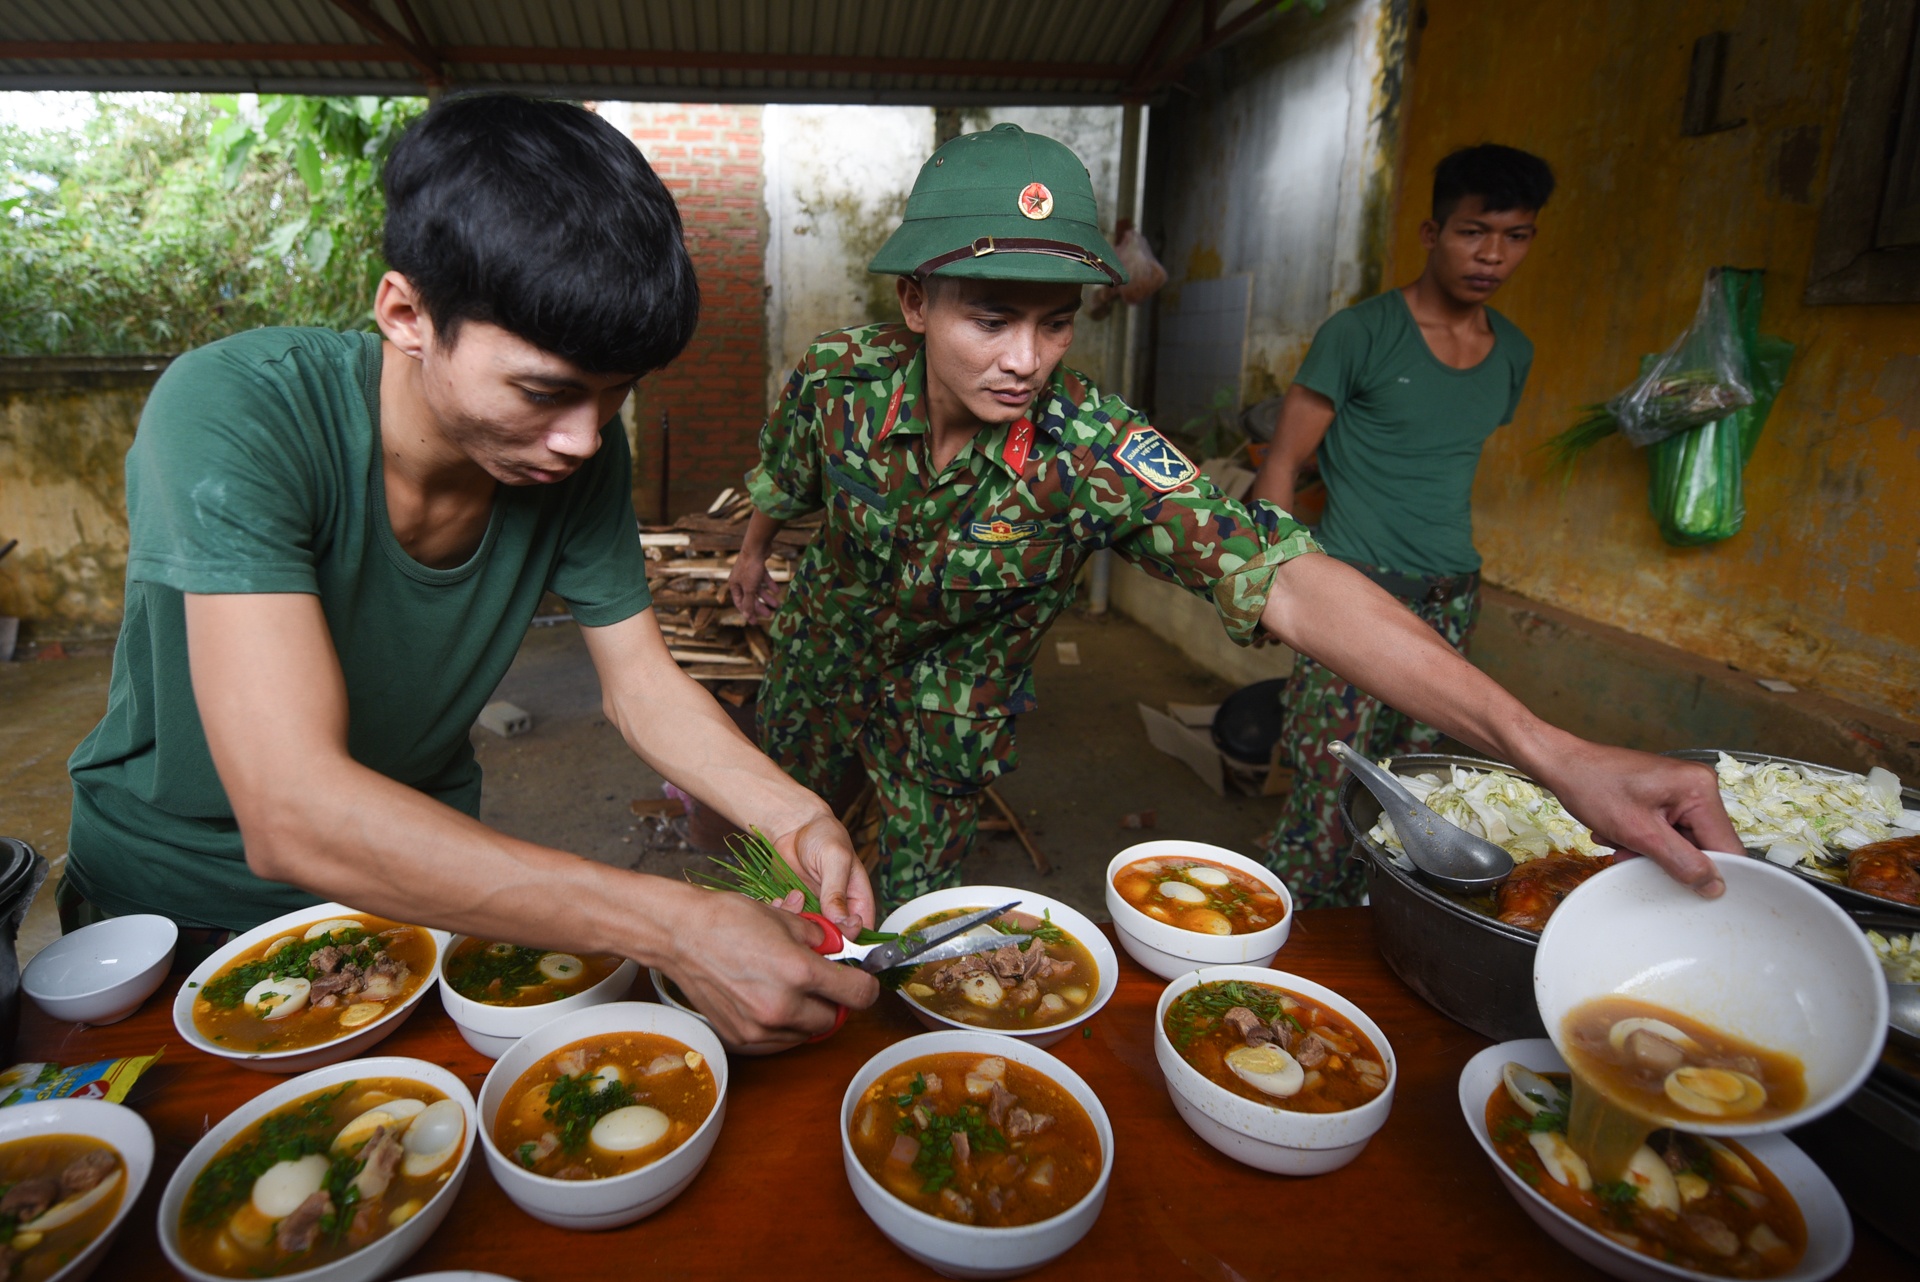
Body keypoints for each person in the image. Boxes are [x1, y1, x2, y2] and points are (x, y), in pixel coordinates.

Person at [727, 125, 1735, 910]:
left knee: (909, 911)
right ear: (915, 303)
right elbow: (786, 477)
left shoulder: (1093, 450)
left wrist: (1551, 749)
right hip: (824, 654)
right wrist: (754, 554)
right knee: (777, 863)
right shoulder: (839, 379)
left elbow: (1287, 575)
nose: (1027, 360)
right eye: (991, 319)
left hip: (949, 709)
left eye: (1055, 322)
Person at [62, 94, 876, 1051]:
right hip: (176, 915)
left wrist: (795, 812)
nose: (581, 440)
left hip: (428, 898)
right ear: (407, 313)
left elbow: (641, 687)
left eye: (615, 396)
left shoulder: (575, 456)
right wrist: (674, 924)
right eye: (544, 391)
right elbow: (293, 814)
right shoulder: (239, 411)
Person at [1247, 143, 1554, 909]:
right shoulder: (1360, 335)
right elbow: (1283, 462)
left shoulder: (1513, 352)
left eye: (1514, 236)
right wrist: (1267, 586)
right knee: (1326, 785)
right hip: (1352, 587)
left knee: (1415, 801)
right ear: (1430, 232)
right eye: (1473, 231)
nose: (1492, 255)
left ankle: (1380, 933)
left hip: (1452, 594)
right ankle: (1288, 960)